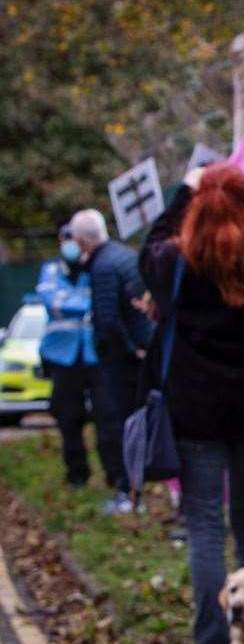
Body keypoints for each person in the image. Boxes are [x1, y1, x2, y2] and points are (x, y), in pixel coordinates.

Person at [139, 163, 244, 644]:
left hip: (193, 412)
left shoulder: (176, 260)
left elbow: (148, 244)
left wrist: (185, 190)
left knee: (202, 525)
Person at [70, 207, 154, 514]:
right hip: (138, 353)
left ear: (80, 241)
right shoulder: (122, 255)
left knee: (122, 425)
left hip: (123, 362)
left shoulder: (103, 266)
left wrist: (130, 352)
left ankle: (129, 492)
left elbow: (108, 320)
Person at [36, 224, 108, 488]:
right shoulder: (51, 270)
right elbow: (53, 300)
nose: (70, 243)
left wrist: (78, 302)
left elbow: (102, 300)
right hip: (63, 356)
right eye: (66, 237)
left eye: (74, 238)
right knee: (68, 416)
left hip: (95, 354)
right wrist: (86, 304)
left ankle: (114, 474)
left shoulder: (96, 268)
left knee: (107, 414)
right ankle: (77, 474)